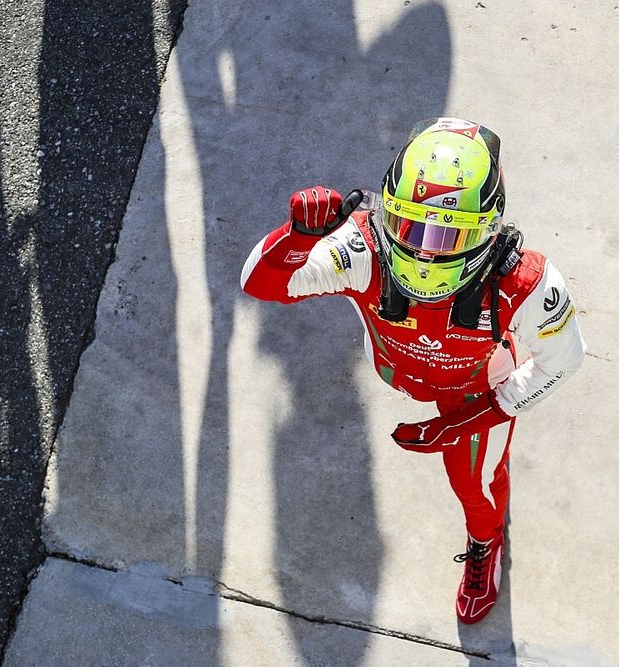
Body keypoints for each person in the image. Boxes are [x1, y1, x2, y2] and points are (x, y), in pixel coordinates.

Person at [240, 117, 586, 624]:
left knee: (475, 486)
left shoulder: (527, 280)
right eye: (410, 225)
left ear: (489, 230)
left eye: (448, 235)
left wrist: (463, 422)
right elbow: (261, 284)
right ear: (387, 211)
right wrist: (296, 236)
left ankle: (484, 541)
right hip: (402, 370)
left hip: (474, 389)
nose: (425, 249)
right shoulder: (361, 246)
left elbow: (565, 360)